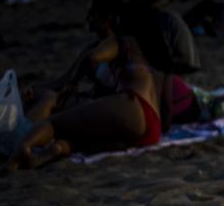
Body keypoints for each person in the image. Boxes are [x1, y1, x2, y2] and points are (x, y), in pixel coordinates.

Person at [10, 37, 165, 168]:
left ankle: (21, 149)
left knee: (54, 124)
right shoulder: (141, 53)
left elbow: (93, 57)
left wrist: (73, 84)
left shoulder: (119, 41)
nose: (89, 21)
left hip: (133, 107)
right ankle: (56, 149)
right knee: (80, 140)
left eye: (94, 16)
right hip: (152, 129)